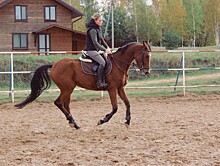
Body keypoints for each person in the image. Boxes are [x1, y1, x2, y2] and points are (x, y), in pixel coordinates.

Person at [84, 13, 112, 88]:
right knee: (102, 62)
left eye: (102, 20)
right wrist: (105, 50)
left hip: (96, 50)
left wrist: (108, 47)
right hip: (91, 51)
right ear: (95, 20)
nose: (101, 22)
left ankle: (104, 80)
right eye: (100, 20)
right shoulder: (92, 30)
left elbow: (102, 40)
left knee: (107, 61)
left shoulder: (98, 28)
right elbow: (95, 43)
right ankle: (99, 82)